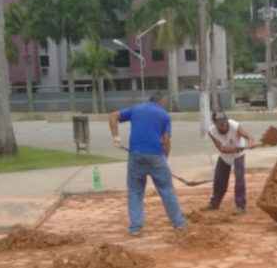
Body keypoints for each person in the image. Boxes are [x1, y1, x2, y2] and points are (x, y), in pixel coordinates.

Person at [108, 92, 186, 236]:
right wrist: (165, 160)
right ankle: (178, 223)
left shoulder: (136, 108)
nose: (166, 104)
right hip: (156, 155)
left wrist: (116, 137)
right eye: (165, 102)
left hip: (136, 155)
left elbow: (113, 116)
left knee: (135, 191)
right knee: (166, 190)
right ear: (161, 101)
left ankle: (135, 227)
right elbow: (166, 140)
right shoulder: (164, 115)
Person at [205, 112, 255, 214]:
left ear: (227, 120)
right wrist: (234, 149)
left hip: (238, 156)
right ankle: (214, 203)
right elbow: (221, 148)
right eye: (220, 123)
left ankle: (241, 206)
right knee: (219, 180)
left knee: (239, 180)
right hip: (224, 156)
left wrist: (251, 142)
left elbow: (249, 136)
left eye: (224, 122)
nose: (223, 125)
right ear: (215, 124)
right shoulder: (212, 131)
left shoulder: (234, 125)